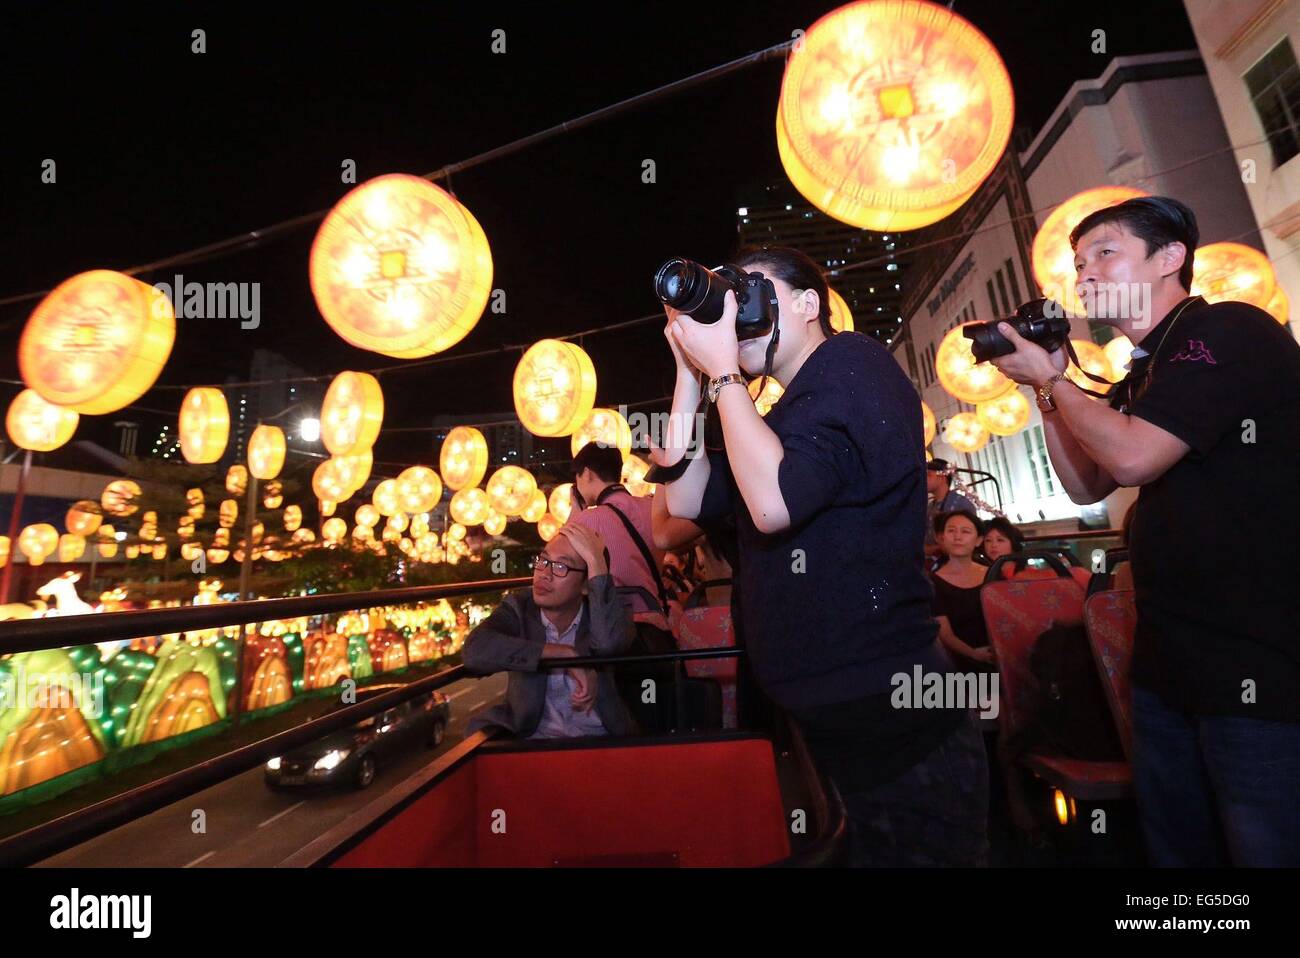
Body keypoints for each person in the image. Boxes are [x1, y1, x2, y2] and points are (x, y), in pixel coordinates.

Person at [988, 195, 1300, 866]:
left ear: (1169, 258)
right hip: (1167, 663)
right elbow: (1087, 484)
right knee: (1181, 856)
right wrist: (1046, 390)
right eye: (1077, 264)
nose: (1085, 274)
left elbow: (1131, 456)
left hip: (1257, 662)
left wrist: (1057, 384)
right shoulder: (1142, 372)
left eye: (1104, 252)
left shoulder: (1228, 332)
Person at [659, 245, 988, 867]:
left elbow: (773, 505)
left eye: (751, 298)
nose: (737, 318)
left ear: (810, 305)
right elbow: (684, 494)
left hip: (894, 713)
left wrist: (726, 374)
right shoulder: (780, 414)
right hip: (839, 712)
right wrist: (687, 371)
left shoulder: (853, 362)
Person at [463, 523, 636, 739]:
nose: (544, 574)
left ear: (586, 585)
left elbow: (609, 645)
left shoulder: (606, 612)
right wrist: (562, 653)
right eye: (543, 561)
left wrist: (596, 564)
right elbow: (474, 652)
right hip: (535, 740)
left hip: (599, 739)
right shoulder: (520, 606)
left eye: (561, 567)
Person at [929, 512, 995, 667]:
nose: (957, 537)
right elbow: (945, 634)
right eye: (951, 531)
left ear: (978, 540)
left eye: (965, 531)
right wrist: (974, 654)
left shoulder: (993, 574)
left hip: (1001, 653)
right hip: (961, 662)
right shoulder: (934, 582)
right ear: (942, 538)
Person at [924, 458, 977, 562]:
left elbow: (968, 539)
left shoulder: (961, 504)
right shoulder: (930, 506)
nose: (924, 479)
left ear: (942, 477)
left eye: (929, 475)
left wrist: (933, 549)